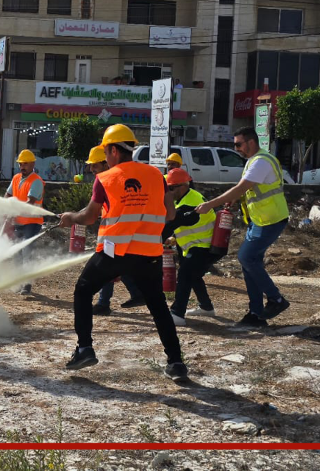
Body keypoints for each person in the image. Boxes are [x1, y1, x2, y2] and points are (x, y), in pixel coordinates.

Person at [57, 124, 187, 381]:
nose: (105, 157)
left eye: (106, 151)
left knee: (83, 290)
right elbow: (170, 214)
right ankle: (176, 363)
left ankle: (84, 349)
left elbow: (90, 216)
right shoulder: (156, 176)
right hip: (148, 253)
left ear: (114, 150)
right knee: (158, 306)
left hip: (114, 252)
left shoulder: (106, 178)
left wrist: (69, 217)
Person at [195, 127, 290, 328]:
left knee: (246, 258)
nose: (236, 148)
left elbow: (239, 188)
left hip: (270, 219)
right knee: (249, 264)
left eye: (238, 144)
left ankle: (276, 299)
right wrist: (232, 201)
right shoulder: (253, 161)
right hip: (260, 220)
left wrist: (210, 205)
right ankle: (256, 314)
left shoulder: (261, 161)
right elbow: (246, 190)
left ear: (251, 142)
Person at [83, 145, 146, 315]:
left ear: (105, 163)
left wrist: (74, 217)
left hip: (116, 233)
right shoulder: (112, 179)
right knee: (117, 267)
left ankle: (104, 303)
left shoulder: (108, 180)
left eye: (95, 165)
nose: (91, 169)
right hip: (118, 232)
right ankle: (137, 293)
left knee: (107, 267)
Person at [163, 168, 222, 326]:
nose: (167, 192)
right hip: (195, 246)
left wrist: (153, 238)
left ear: (183, 186)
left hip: (204, 246)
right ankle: (206, 307)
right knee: (193, 276)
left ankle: (177, 314)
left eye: (170, 188)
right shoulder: (182, 198)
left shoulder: (191, 202)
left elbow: (173, 221)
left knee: (185, 274)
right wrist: (174, 238)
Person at [7, 149, 46, 295]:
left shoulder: (36, 181)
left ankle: (27, 285)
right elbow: (8, 193)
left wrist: (14, 210)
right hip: (18, 222)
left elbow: (30, 202)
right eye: (20, 164)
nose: (22, 167)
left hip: (32, 222)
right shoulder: (16, 178)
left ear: (33, 164)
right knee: (17, 253)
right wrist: (5, 206)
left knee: (26, 253)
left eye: (25, 164)